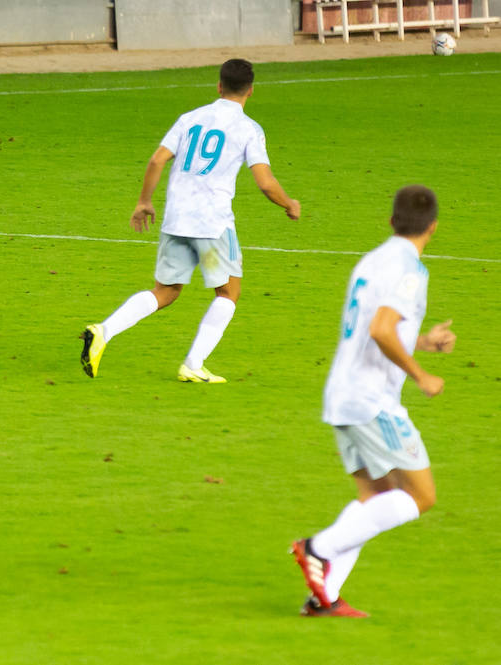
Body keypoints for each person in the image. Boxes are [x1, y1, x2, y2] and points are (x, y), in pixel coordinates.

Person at [79, 59, 299, 383]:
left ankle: (104, 330)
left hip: (176, 219)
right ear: (251, 90)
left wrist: (144, 201)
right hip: (212, 227)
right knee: (228, 293)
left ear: (219, 86)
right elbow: (265, 183)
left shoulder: (190, 118)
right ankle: (193, 364)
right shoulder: (248, 129)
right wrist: (288, 203)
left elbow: (157, 159)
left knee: (164, 291)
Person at [291, 185, 455, 618]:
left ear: (390, 221)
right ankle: (316, 549)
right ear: (433, 227)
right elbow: (382, 330)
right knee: (421, 496)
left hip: (342, 394)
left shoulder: (373, 259)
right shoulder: (409, 269)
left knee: (375, 497)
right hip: (372, 401)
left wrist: (422, 342)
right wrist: (422, 375)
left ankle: (322, 598)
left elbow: (372, 326)